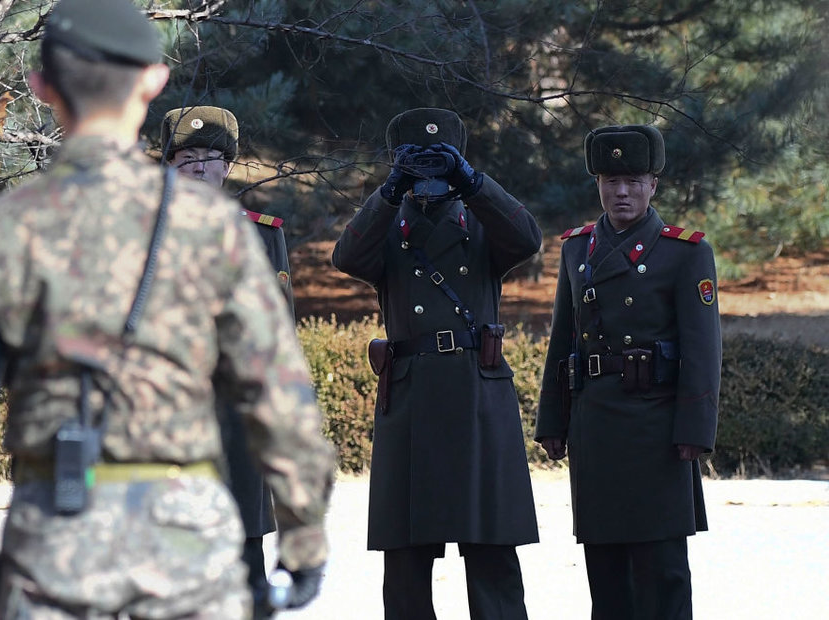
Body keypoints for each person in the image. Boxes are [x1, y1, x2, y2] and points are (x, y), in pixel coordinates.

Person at [0, 0, 334, 618]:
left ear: (42, 87)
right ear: (153, 81)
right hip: (189, 548)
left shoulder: (0, 229)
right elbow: (279, 397)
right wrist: (303, 546)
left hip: (54, 544)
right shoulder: (213, 227)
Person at [332, 107, 542, 619]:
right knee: (406, 559)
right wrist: (390, 190)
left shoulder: (481, 222)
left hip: (476, 395)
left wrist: (471, 181)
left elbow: (528, 239)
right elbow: (347, 258)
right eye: (416, 161)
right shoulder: (388, 225)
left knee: (491, 550)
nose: (429, 173)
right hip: (412, 396)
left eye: (439, 159)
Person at [535, 124, 722, 619]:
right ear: (597, 183)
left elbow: (703, 350)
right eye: (611, 180)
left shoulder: (685, 252)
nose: (622, 191)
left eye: (633, 181)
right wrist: (552, 421)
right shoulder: (577, 249)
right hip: (595, 425)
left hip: (656, 428)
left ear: (652, 185)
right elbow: (563, 338)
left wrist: (695, 431)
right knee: (605, 569)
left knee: (662, 571)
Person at [160, 105, 294, 618]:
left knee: (244, 548)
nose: (199, 166)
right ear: (168, 165)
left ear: (228, 166)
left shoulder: (263, 234)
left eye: (210, 156)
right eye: (187, 156)